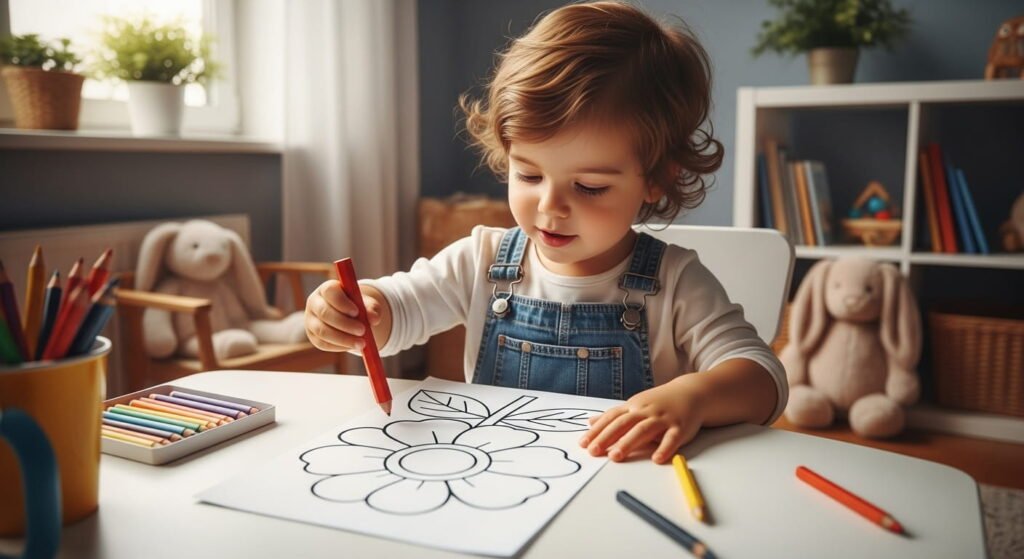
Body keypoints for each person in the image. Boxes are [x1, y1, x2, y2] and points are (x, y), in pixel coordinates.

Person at [305, 1, 787, 465]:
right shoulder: (482, 259)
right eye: (529, 175)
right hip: (498, 486)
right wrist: (357, 312)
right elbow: (397, 312)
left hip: (622, 491)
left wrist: (693, 397)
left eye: (590, 187)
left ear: (656, 180)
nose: (550, 207)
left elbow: (763, 378)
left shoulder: (676, 281)